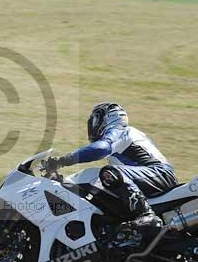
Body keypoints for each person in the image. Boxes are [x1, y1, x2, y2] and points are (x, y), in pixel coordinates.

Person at [44, 102, 178, 249]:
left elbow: (101, 148)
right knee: (108, 185)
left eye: (95, 120)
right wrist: (62, 182)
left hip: (158, 173)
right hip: (152, 177)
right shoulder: (126, 137)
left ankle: (146, 215)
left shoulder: (119, 130)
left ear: (107, 118)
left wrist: (62, 161)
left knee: (109, 173)